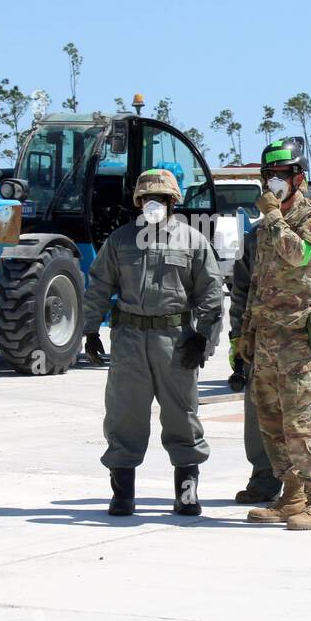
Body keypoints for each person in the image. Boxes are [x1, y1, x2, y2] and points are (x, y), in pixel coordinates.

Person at [82, 168, 222, 516]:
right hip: (129, 340)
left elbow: (211, 292)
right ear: (138, 202)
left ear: (173, 202)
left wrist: (204, 337)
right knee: (124, 415)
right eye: (147, 198)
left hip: (175, 341)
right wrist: (89, 331)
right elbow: (99, 284)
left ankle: (186, 491)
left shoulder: (192, 241)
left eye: (161, 198)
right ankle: (122, 492)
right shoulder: (120, 240)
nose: (153, 204)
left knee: (182, 416)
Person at [239, 139, 311, 530]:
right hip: (267, 337)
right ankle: (291, 494)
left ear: (299, 178)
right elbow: (257, 282)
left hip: (297, 337)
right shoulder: (265, 225)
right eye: (269, 176)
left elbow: (300, 256)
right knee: (272, 420)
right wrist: (245, 331)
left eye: (281, 175)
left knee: (301, 420)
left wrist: (275, 218)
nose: (274, 182)